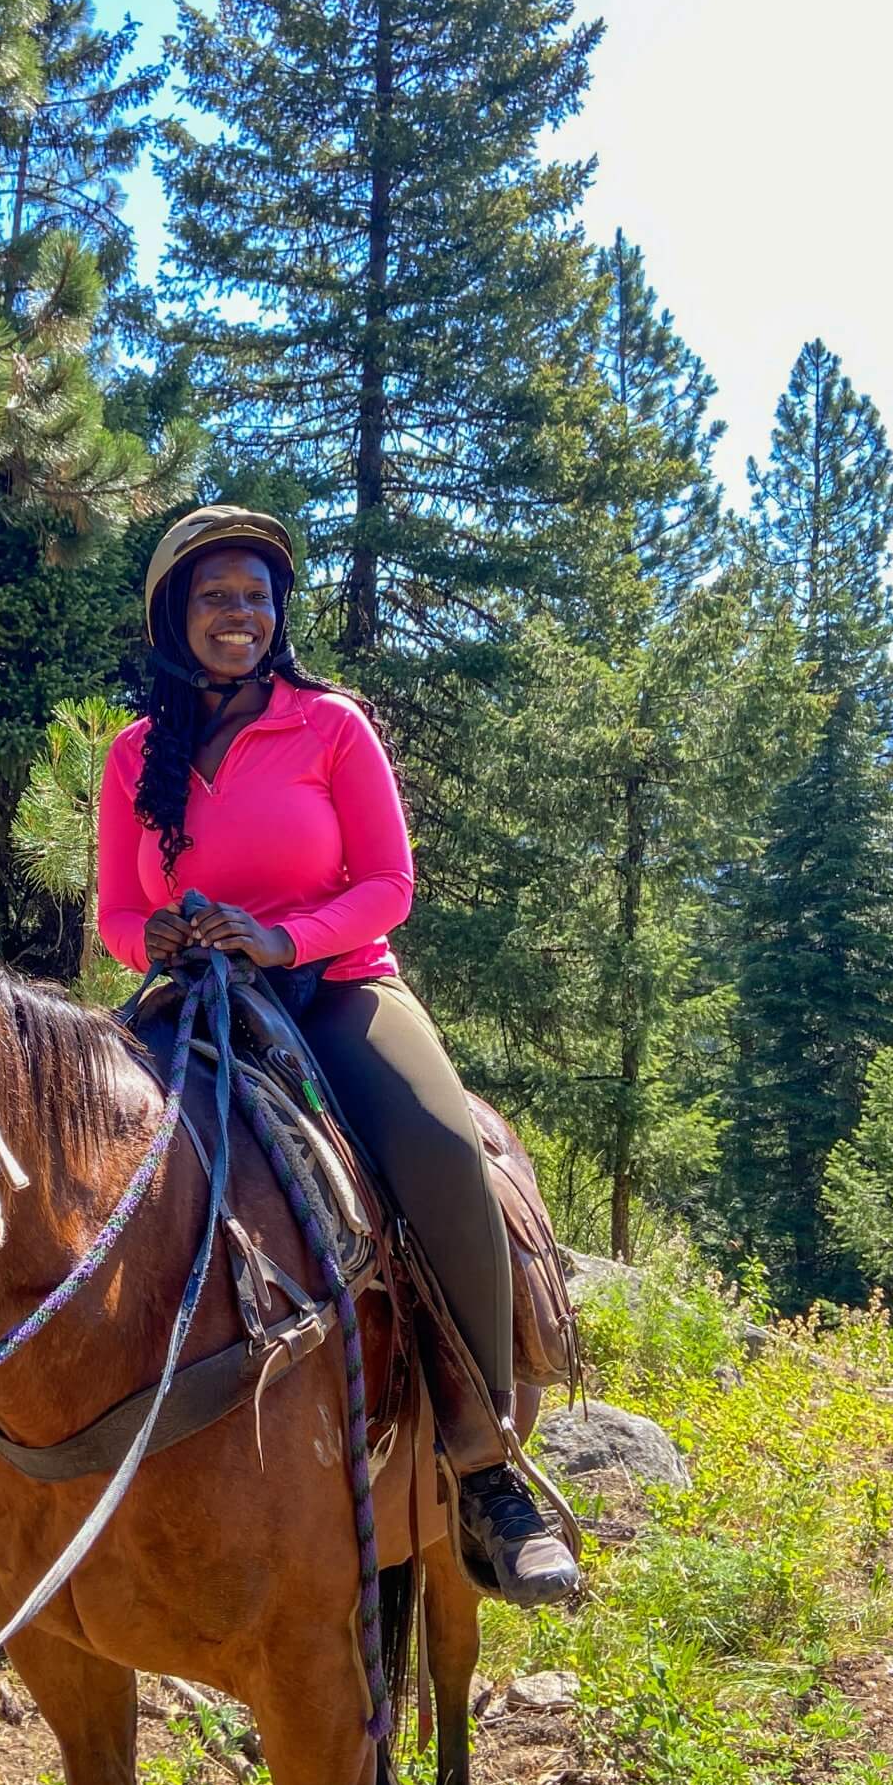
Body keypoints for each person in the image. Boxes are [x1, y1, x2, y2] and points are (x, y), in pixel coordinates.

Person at [96, 504, 580, 1607]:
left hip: (341, 985)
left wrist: (284, 936)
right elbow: (118, 911)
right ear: (176, 614)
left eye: (259, 598)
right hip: (199, 995)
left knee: (440, 1145)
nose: (243, 617)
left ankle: (487, 1464)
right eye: (218, 597)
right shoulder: (135, 754)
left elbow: (388, 883)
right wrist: (154, 939)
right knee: (68, 1145)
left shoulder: (330, 725)